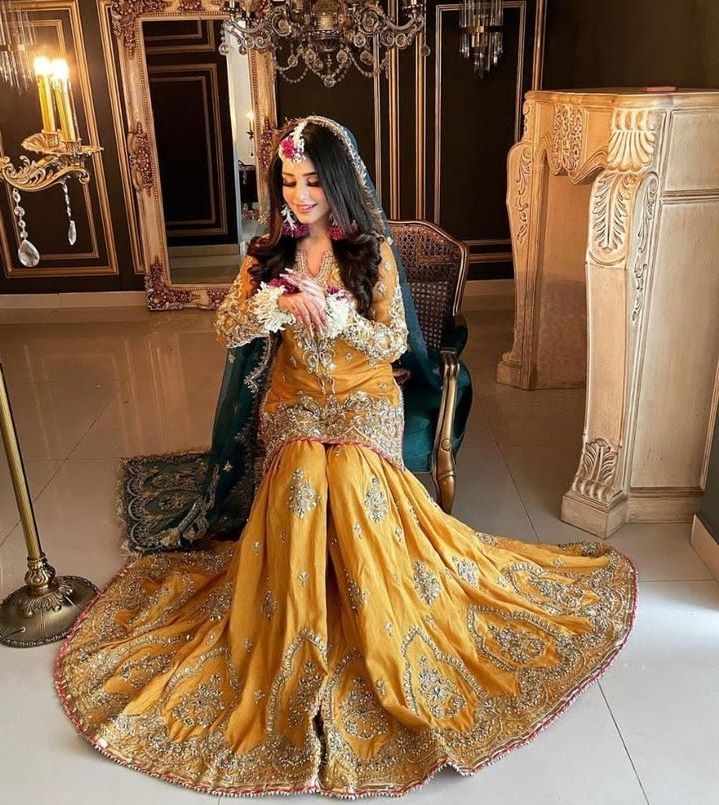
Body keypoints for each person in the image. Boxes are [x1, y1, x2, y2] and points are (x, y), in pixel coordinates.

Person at [55, 117, 637, 798]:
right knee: (303, 482)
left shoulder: (369, 253)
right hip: (298, 402)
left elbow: (393, 342)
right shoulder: (265, 253)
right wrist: (268, 306)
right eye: (289, 182)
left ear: (336, 184)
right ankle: (297, 637)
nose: (300, 195)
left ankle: (376, 625)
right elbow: (224, 328)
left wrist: (340, 319)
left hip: (365, 399)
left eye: (311, 183)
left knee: (354, 480)